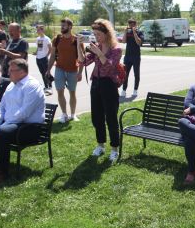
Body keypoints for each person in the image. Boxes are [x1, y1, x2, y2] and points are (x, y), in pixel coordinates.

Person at [80, 19, 123, 163]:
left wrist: (99, 53)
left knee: (111, 118)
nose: (96, 37)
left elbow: (110, 66)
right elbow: (84, 62)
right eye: (94, 34)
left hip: (109, 85)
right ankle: (100, 145)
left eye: (98, 34)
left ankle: (115, 149)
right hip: (96, 83)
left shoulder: (116, 49)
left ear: (107, 33)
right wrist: (79, 46)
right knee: (97, 117)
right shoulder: (97, 47)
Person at [47, 18, 82, 123]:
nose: (62, 27)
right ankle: (64, 114)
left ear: (70, 27)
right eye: (61, 25)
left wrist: (80, 72)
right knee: (60, 92)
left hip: (73, 70)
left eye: (64, 26)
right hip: (59, 69)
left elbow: (82, 59)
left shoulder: (77, 40)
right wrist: (48, 69)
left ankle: (73, 114)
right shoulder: (57, 39)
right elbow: (52, 55)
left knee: (72, 92)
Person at [121, 18, 144, 98]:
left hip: (136, 57)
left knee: (136, 74)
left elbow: (139, 43)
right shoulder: (127, 32)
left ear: (135, 24)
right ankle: (124, 90)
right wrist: (125, 32)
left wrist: (134, 33)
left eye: (133, 24)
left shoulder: (140, 32)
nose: (131, 25)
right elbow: (123, 41)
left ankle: (135, 90)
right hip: (127, 56)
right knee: (125, 74)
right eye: (130, 24)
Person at [33, 25, 52, 95]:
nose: (37, 31)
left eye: (39, 30)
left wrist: (46, 56)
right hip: (38, 58)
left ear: (42, 30)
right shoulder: (38, 39)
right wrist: (36, 52)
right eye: (37, 30)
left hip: (44, 58)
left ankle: (50, 86)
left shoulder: (47, 39)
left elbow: (50, 48)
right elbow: (39, 48)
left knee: (46, 73)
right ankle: (46, 86)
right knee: (42, 73)